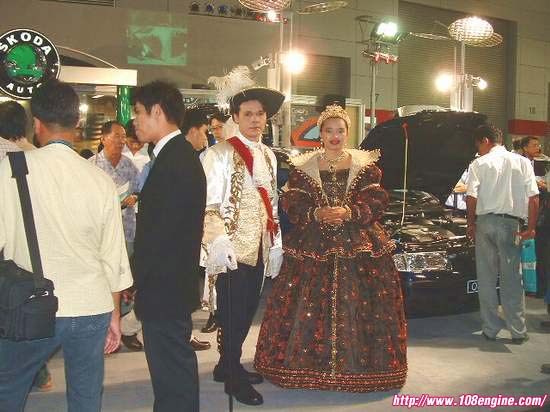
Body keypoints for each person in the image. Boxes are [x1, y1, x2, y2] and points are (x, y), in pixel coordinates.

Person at [253, 104, 408, 392]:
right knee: (306, 302)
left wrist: (350, 212)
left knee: (361, 303)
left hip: (358, 239)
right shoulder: (303, 168)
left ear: (348, 133)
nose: (335, 136)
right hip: (313, 240)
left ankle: (360, 371)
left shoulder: (366, 167)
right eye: (328, 131)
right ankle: (307, 367)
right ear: (320, 134)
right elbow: (292, 201)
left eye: (340, 131)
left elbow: (376, 200)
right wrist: (316, 213)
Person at [0, 79, 132, 412]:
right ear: (77, 122)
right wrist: (115, 315)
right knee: (86, 397)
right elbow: (113, 257)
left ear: (36, 124)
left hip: (30, 305)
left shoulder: (10, 170)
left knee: (8, 390)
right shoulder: (100, 180)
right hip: (91, 306)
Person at [201, 82, 285, 406]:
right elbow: (208, 204)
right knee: (232, 313)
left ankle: (226, 365)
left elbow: (272, 205)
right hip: (230, 250)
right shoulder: (219, 154)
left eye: (259, 114)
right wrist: (218, 240)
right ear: (235, 117)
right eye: (247, 114)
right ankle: (233, 376)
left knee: (248, 309)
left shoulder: (268, 155)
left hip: (259, 247)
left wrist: (276, 243)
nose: (255, 119)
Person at [131, 80, 206, 412]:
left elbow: (159, 234)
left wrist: (134, 277)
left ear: (157, 112)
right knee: (170, 370)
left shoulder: (176, 160)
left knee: (172, 370)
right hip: (168, 285)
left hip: (166, 286)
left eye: (138, 112)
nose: (134, 120)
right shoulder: (173, 155)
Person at [466, 124, 539, 344]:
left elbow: (471, 197)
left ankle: (490, 329)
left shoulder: (479, 164)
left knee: (486, 278)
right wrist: (531, 228)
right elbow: (534, 198)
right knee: (512, 279)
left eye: (478, 145)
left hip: (485, 224)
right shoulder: (522, 162)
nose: (478, 150)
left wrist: (471, 224)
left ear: (485, 140)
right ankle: (518, 331)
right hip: (511, 225)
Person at [89, 120, 143, 352]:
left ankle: (126, 329)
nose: (121, 141)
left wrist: (134, 197)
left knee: (126, 282)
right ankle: (102, 329)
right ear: (103, 138)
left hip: (127, 230)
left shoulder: (129, 165)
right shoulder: (92, 166)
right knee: (103, 281)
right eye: (116, 136)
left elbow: (139, 188)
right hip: (100, 236)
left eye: (123, 136)